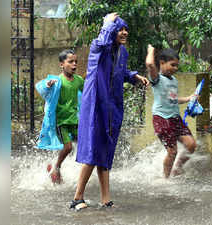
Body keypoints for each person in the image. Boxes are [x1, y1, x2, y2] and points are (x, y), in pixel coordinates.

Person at [70, 13, 149, 210]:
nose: (124, 33)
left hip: (113, 105)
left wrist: (134, 76)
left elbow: (119, 73)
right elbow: (103, 42)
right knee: (94, 149)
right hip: (96, 103)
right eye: (120, 29)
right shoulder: (99, 47)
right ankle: (77, 198)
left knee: (106, 149)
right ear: (111, 30)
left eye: (125, 29)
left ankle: (105, 199)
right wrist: (107, 22)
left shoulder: (123, 52)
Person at [145, 44, 197, 178]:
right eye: (173, 65)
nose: (176, 68)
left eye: (176, 65)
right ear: (162, 63)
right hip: (162, 119)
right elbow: (150, 64)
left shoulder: (173, 80)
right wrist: (151, 50)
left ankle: (177, 169)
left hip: (175, 118)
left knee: (191, 145)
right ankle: (166, 179)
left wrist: (188, 98)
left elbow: (172, 99)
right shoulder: (157, 79)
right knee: (172, 151)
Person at [35, 49, 84, 184]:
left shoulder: (78, 80)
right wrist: (48, 85)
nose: (74, 64)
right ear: (62, 64)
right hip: (60, 121)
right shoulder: (56, 80)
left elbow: (88, 92)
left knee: (85, 143)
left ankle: (76, 170)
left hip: (74, 119)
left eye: (76, 62)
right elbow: (41, 87)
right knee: (68, 147)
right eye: (70, 62)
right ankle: (56, 167)